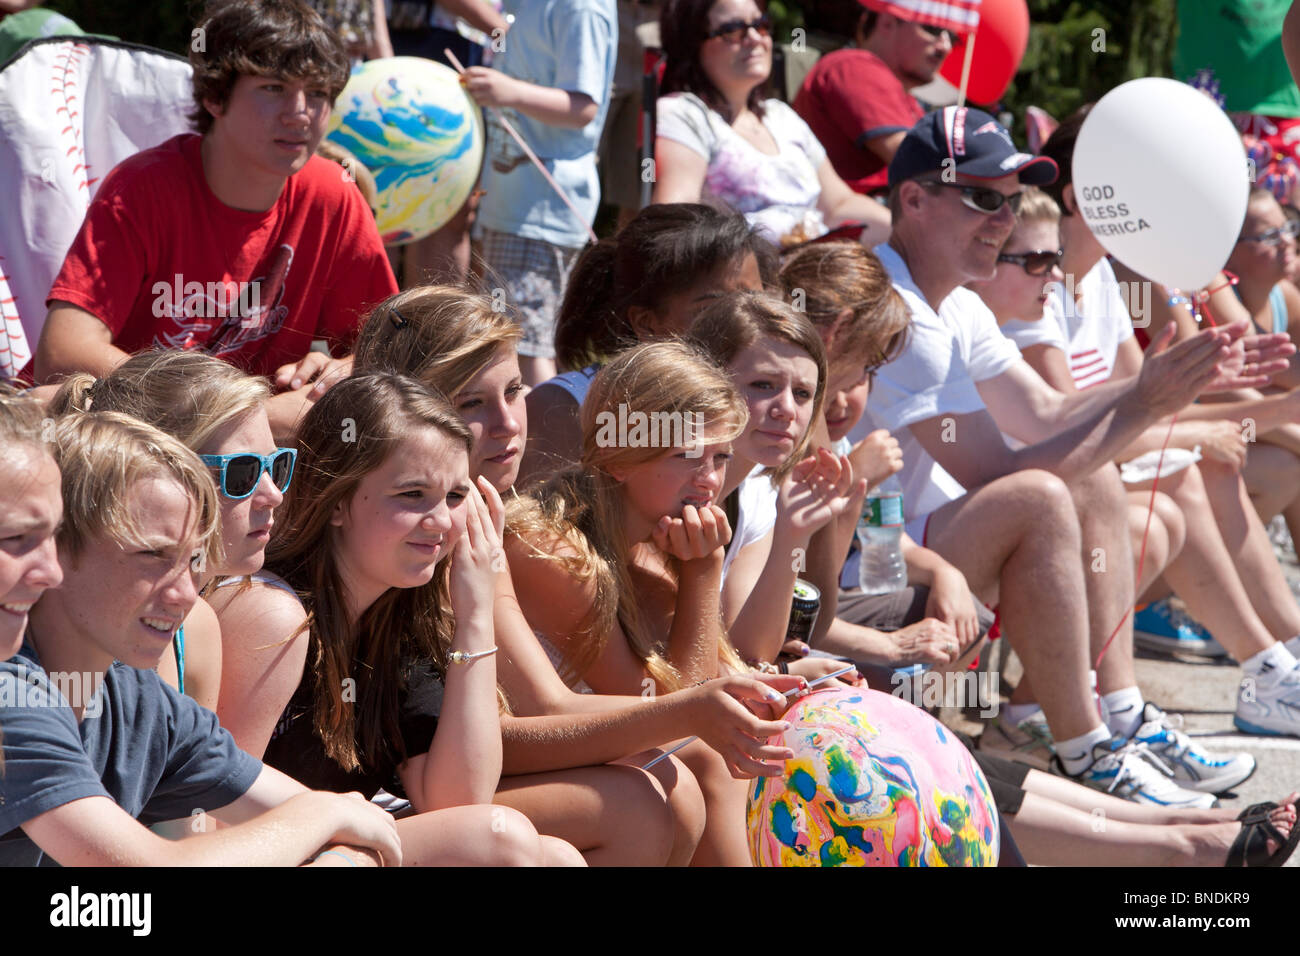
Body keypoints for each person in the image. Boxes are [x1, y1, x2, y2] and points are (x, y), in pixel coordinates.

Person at [858, 105, 1287, 804]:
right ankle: (1085, 744)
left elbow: (1048, 412)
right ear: (913, 198)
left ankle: (1109, 716)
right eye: (983, 199)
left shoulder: (955, 302)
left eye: (1009, 201)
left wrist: (1164, 386)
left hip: (908, 541)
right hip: (870, 566)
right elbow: (1006, 476)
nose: (1002, 220)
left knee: (1088, 482)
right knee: (1048, 492)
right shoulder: (902, 311)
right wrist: (1148, 401)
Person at [352, 285, 811, 866]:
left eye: (515, 391)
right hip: (391, 789)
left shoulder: (496, 522)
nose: (507, 423)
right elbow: (636, 710)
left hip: (446, 773)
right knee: (672, 777)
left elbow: (687, 695)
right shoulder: (536, 542)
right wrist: (703, 580)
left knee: (689, 771)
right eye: (471, 404)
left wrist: (777, 680)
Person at [983, 155, 1300, 747]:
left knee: (1211, 466)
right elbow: (1076, 429)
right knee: (1180, 484)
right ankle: (1266, 666)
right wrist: (1264, 413)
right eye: (1140, 199)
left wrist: (1239, 405)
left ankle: (1274, 662)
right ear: (1082, 200)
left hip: (1074, 483)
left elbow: (1147, 403)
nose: (1157, 217)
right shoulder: (1033, 299)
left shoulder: (1101, 278)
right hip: (1036, 499)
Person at [0, 404, 404, 866]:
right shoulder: (12, 693)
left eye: (195, 561)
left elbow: (341, 824)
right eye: (152, 556)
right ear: (65, 544)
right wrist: (324, 814)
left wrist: (332, 829)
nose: (184, 595)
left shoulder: (139, 700)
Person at [31, 0, 399, 438]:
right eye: (274, 87)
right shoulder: (143, 187)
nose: (299, 111)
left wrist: (339, 370)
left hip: (259, 457)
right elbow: (62, 353)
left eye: (317, 93)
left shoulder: (334, 195)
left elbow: (394, 349)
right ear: (214, 97)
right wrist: (233, 411)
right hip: (139, 442)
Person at [776, 240, 995, 673]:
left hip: (803, 626)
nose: (859, 386)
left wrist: (943, 572)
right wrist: (851, 487)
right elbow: (807, 609)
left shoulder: (833, 436)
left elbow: (889, 538)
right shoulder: (782, 431)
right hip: (772, 644)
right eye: (869, 364)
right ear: (834, 334)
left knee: (961, 616)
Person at [47, 351, 289, 713]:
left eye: (278, 464)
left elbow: (208, 767)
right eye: (243, 471)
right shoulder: (46, 631)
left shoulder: (195, 630)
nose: (274, 495)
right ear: (157, 471)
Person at [521, 202, 771, 486]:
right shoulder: (565, 409)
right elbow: (534, 527)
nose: (746, 324)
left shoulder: (774, 402)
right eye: (713, 310)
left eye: (756, 303)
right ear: (647, 324)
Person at [651, 0, 891, 248]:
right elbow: (675, 221)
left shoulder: (780, 116)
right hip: (747, 277)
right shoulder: (685, 113)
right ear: (691, 43)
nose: (755, 38)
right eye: (733, 29)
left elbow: (838, 204)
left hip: (814, 269)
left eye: (761, 24)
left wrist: (906, 231)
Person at [466, 0, 617, 386]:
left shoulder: (580, 8)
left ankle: (544, 442)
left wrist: (508, 91)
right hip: (511, 202)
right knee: (505, 338)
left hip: (541, 210)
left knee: (524, 347)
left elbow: (583, 106)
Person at [792, 0, 945, 197]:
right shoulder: (855, 65)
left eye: (951, 37)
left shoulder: (905, 98)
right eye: (932, 29)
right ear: (887, 22)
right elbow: (922, 164)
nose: (945, 46)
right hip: (847, 220)